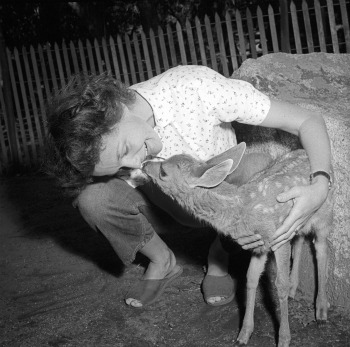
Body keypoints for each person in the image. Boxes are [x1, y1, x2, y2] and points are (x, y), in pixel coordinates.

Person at [45, 65, 332, 308]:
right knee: (91, 198)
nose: (133, 162)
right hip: (165, 203)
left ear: (115, 108)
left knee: (258, 164)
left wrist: (320, 184)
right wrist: (117, 175)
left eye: (123, 151)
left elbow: (307, 120)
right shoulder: (118, 149)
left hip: (221, 199)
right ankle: (162, 260)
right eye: (120, 165)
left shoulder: (195, 88)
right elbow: (121, 180)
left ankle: (219, 254)